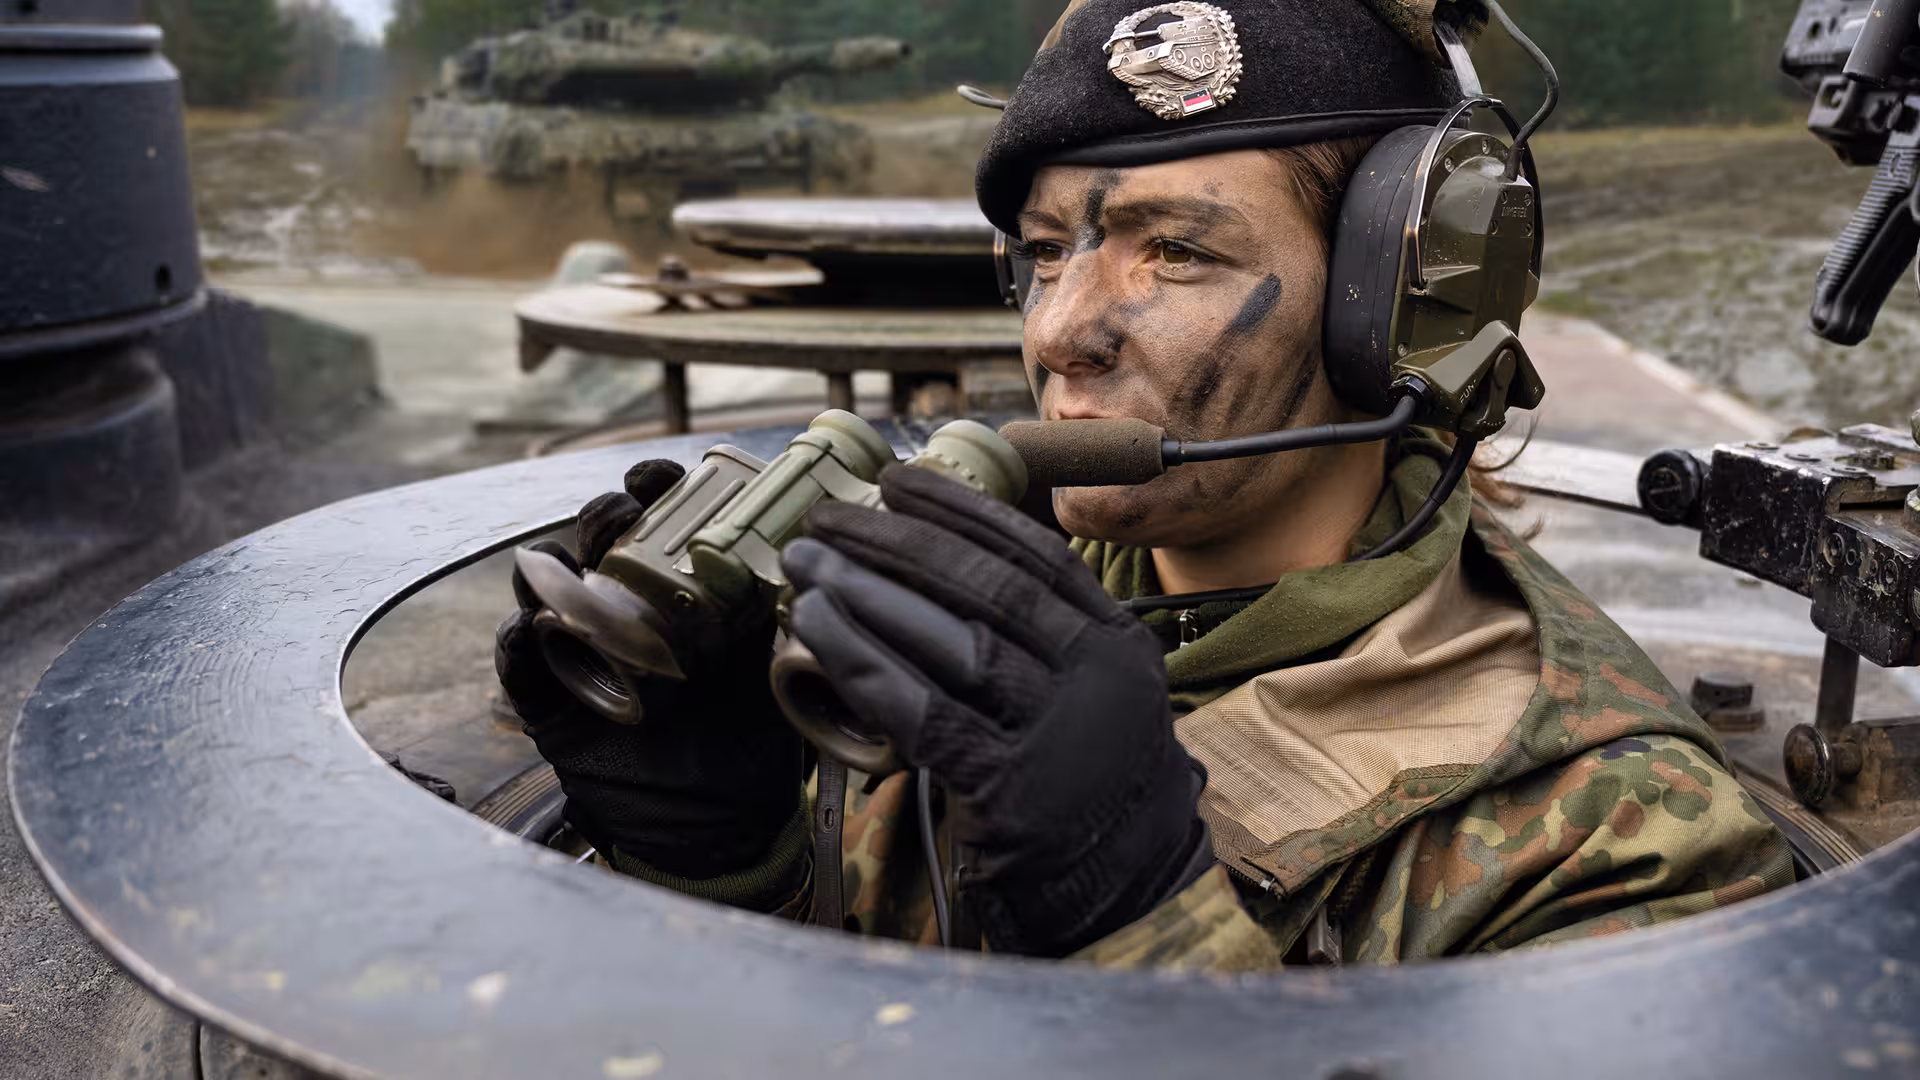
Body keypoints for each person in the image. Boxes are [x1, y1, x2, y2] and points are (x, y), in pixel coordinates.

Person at [496, 0, 1793, 970]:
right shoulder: (951, 621)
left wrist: (1143, 910)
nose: (1063, 330)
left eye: (1172, 252)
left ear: (1397, 308)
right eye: (1048, 251)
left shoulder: (1615, 835)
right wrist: (726, 868)